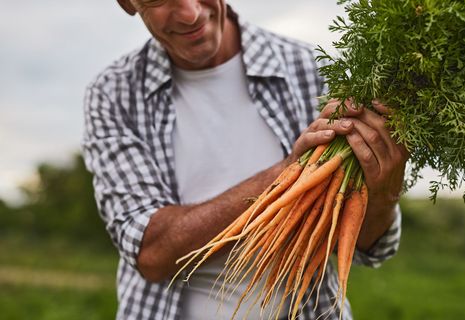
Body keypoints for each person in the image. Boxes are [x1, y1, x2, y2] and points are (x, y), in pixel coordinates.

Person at [82, 0, 408, 319]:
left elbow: (369, 247)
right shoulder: (114, 94)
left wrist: (383, 190)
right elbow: (151, 252)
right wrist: (287, 172)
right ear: (127, 3)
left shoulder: (312, 69)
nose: (190, 13)